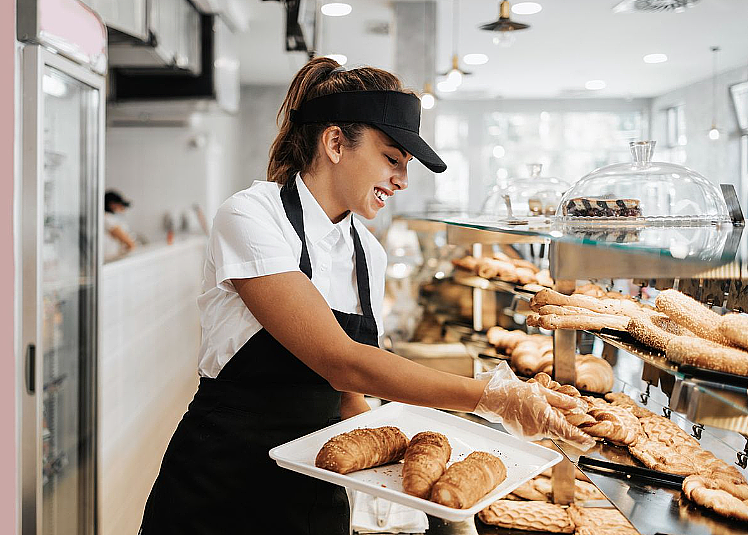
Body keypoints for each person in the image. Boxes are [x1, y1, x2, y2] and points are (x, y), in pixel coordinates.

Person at [138, 58, 592, 535]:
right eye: (392, 159)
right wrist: (491, 397)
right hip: (224, 479)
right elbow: (342, 361)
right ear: (335, 142)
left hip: (317, 474)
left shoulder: (367, 253)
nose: (402, 180)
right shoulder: (251, 218)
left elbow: (349, 394)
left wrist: (393, 493)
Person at [103, 189, 136, 261]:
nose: (123, 209)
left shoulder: (110, 218)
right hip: (110, 259)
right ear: (112, 205)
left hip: (113, 258)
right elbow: (129, 243)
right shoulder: (107, 219)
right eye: (120, 205)